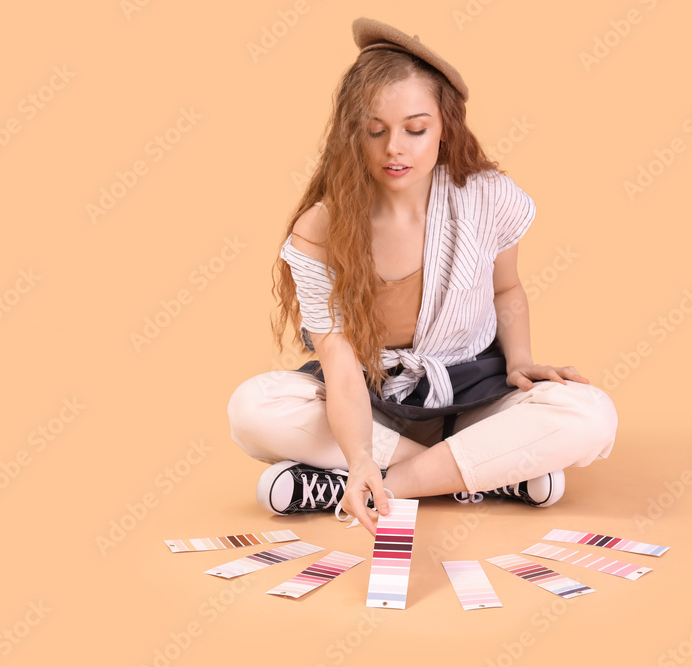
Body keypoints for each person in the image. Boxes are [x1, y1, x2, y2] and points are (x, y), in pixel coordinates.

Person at [228, 17, 618, 536]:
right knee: (253, 409)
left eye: (416, 129)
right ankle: (489, 474)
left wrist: (521, 360)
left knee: (590, 414)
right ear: (351, 132)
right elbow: (340, 367)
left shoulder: (487, 197)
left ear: (444, 128)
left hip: (474, 394)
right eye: (375, 130)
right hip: (373, 405)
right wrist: (361, 454)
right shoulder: (320, 228)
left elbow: (506, 288)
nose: (395, 147)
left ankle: (366, 486)